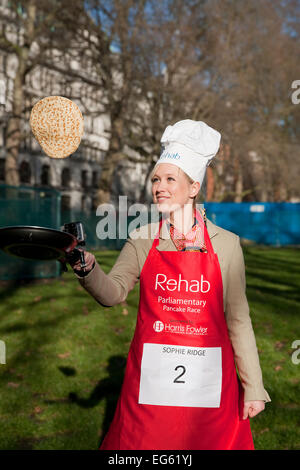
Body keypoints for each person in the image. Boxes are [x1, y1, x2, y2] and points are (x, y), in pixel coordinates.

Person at [67, 120, 271, 450]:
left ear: (193, 187)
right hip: (151, 386)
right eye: (156, 179)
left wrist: (254, 387)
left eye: (170, 179)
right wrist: (87, 268)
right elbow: (114, 293)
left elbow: (238, 321)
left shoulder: (227, 245)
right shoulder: (143, 238)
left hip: (211, 384)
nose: (159, 187)